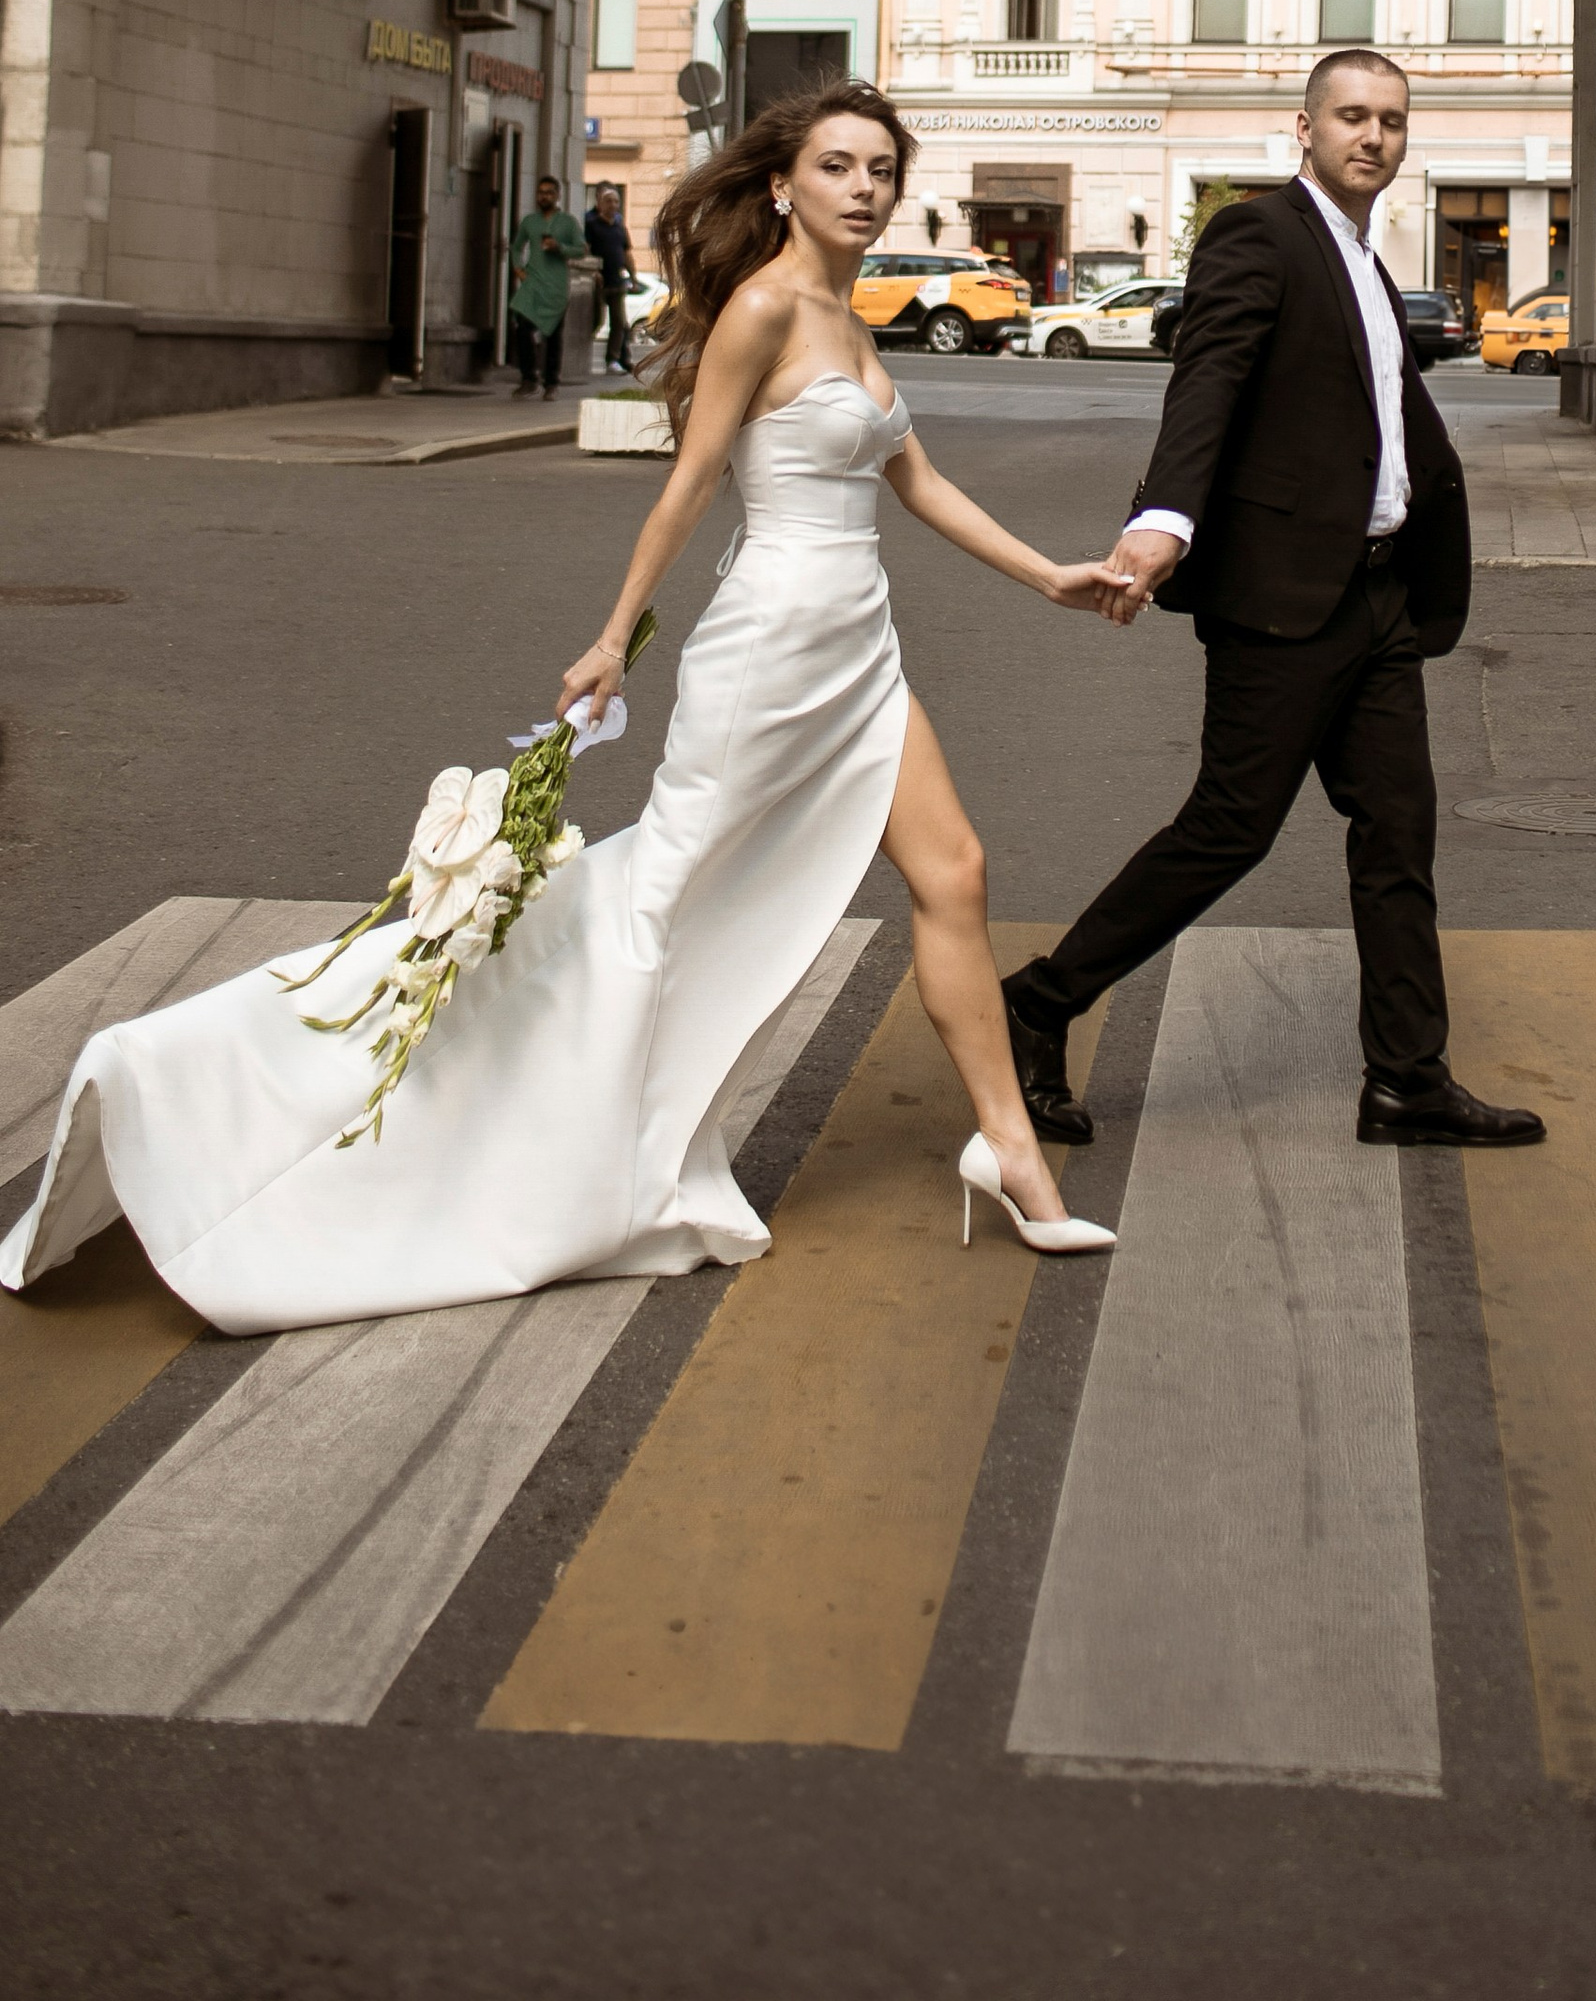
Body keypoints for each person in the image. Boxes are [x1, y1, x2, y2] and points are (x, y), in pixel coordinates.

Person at [1, 83, 1123, 1332]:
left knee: (955, 873)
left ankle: (1008, 1154)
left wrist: (1051, 579)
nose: (863, 188)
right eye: (838, 166)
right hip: (764, 656)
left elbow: (916, 481)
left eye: (879, 170)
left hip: (859, 646)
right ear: (780, 185)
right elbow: (688, 486)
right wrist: (612, 641)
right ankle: (301, 1086)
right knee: (657, 901)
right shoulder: (761, 309)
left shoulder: (852, 320)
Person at [1001, 48, 1546, 1155]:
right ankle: (1037, 1003)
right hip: (1287, 598)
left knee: (1398, 833)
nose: (1373, 137)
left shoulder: (1367, 256)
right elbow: (1209, 381)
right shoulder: (1259, 235)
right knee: (1229, 829)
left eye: (1391, 121)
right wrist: (1165, 519)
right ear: (1304, 130)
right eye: (1351, 116)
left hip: (1380, 596)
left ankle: (1406, 1078)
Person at [509, 173, 577, 394]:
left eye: (549, 193)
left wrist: (560, 247)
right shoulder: (530, 221)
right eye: (541, 193)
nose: (544, 196)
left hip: (556, 286)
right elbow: (516, 246)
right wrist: (519, 269)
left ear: (557, 195)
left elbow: (581, 248)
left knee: (553, 336)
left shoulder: (568, 222)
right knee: (522, 326)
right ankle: (528, 377)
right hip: (532, 283)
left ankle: (551, 383)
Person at [584, 178, 635, 371]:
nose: (612, 205)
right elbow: (586, 250)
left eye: (616, 201)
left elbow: (626, 253)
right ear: (599, 203)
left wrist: (633, 277)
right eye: (608, 201)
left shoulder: (620, 227)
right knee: (595, 320)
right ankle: (581, 353)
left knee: (620, 323)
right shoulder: (591, 224)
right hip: (598, 282)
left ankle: (613, 359)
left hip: (617, 281)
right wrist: (593, 271)